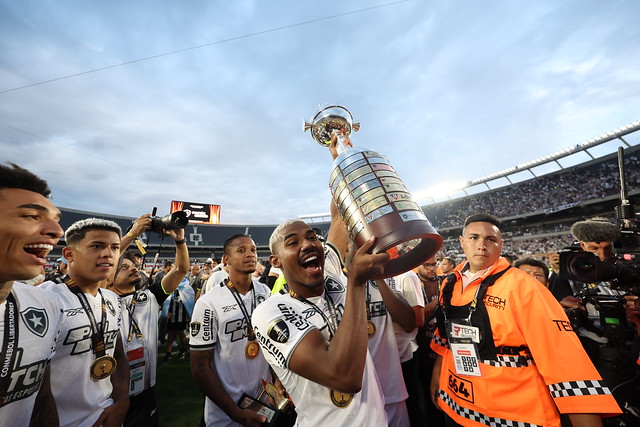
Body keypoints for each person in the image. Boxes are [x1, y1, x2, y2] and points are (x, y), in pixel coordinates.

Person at [251, 132, 390, 426]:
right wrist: (355, 283)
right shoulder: (269, 312)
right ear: (275, 262)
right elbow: (344, 377)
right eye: (292, 242)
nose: (307, 244)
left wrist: (341, 161)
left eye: (312, 237)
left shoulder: (328, 273)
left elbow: (340, 216)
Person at [430, 213, 620, 427]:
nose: (481, 245)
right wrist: (438, 374)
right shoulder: (450, 282)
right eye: (474, 238)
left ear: (500, 244)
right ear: (462, 242)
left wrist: (586, 419)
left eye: (490, 239)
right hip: (456, 403)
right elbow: (446, 337)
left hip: (512, 413)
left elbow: (561, 356)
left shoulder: (526, 287)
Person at [41, 218, 130, 427]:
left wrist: (122, 402)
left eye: (115, 247)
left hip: (108, 413)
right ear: (69, 254)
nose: (108, 253)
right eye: (97, 246)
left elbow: (117, 354)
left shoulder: (111, 300)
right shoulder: (45, 299)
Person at [0, 162, 65, 426]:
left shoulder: (44, 304)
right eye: (31, 216)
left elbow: (40, 397)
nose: (57, 232)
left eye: (55, 220)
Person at [110, 213, 189, 426]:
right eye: (123, 267)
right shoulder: (99, 299)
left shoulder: (149, 297)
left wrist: (180, 240)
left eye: (132, 265)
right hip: (108, 393)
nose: (133, 268)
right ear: (109, 276)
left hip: (144, 389)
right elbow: (107, 260)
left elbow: (181, 270)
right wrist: (132, 234)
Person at [190, 234, 272, 426]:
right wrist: (235, 412)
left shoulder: (265, 293)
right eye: (241, 250)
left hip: (264, 400)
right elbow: (200, 367)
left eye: (253, 250)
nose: (250, 254)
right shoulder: (208, 303)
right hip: (226, 412)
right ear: (226, 259)